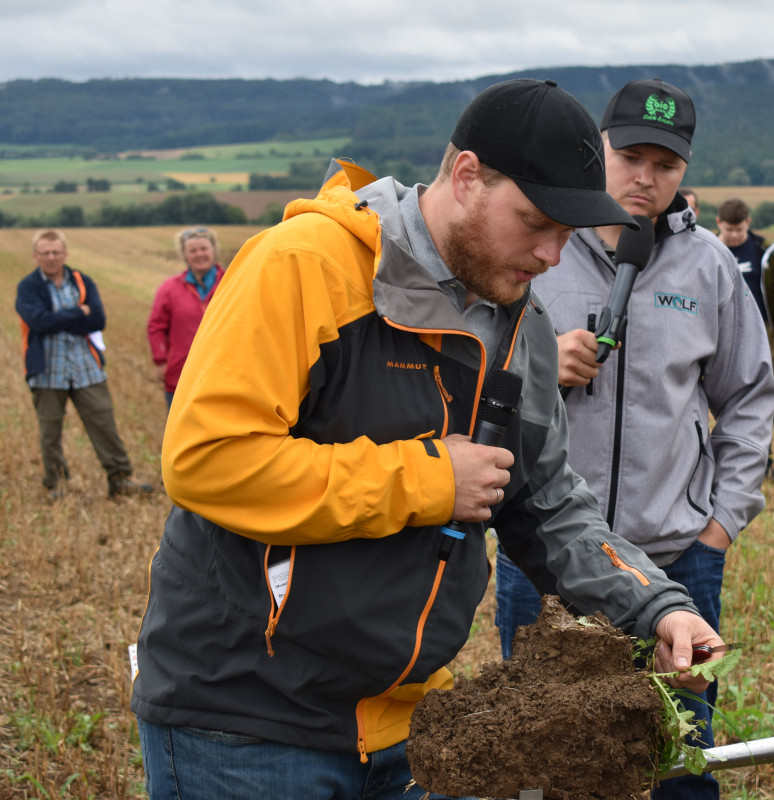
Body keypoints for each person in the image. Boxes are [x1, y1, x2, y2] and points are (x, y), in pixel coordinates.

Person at [129, 79, 724, 800]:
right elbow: (207, 460)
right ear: (467, 176)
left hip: (412, 727)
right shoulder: (305, 267)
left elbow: (548, 504)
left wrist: (657, 606)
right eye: (535, 221)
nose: (551, 256)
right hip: (246, 722)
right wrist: (431, 481)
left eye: (567, 233)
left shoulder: (520, 328)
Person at [493, 78, 774, 800]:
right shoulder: (538, 248)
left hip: (675, 558)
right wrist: (542, 366)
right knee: (543, 756)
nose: (646, 178)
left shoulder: (710, 265)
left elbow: (748, 396)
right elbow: (473, 387)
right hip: (546, 563)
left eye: (667, 163)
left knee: (679, 753)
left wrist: (720, 524)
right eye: (630, 157)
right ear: (599, 149)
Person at [15, 229, 156, 501]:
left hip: (86, 367)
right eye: (45, 253)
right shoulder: (28, 287)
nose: (52, 257)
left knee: (104, 424)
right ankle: (58, 485)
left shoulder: (82, 281)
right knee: (50, 432)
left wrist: (59, 319)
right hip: (46, 372)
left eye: (56, 252)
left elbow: (98, 320)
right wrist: (79, 312)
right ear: (35, 256)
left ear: (65, 253)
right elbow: (39, 321)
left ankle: (120, 479)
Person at [716, 196, 774, 480]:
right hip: (720, 335)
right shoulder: (708, 249)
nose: (734, 236)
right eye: (729, 230)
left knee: (763, 399)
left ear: (748, 223)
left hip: (761, 337)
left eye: (739, 230)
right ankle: (724, 462)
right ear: (719, 224)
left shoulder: (765, 252)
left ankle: (763, 461)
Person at [146, 226, 226, 409]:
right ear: (184, 255)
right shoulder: (169, 289)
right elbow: (156, 328)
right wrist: (161, 360)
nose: (199, 254)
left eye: (204, 248)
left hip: (225, 375)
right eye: (193, 250)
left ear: (214, 251)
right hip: (181, 376)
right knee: (181, 435)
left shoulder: (233, 282)